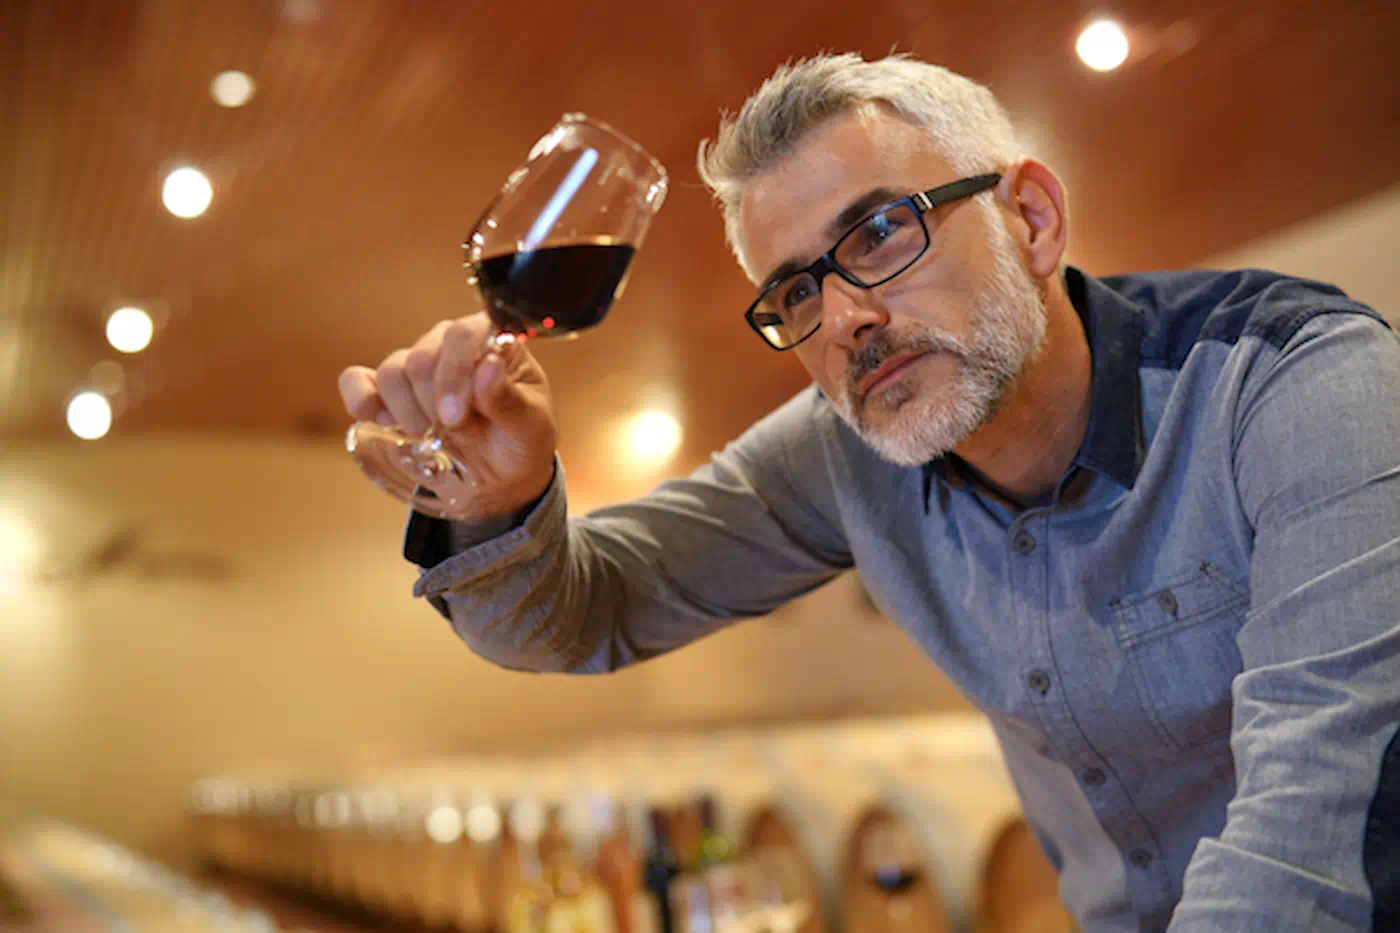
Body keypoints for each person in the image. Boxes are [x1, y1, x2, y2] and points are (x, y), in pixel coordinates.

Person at [338, 52, 1400, 932]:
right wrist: (499, 498)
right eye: (795, 289)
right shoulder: (840, 453)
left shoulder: (1291, 381)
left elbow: (1311, 825)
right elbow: (576, 615)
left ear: (1029, 217)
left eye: (880, 232)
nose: (843, 316)